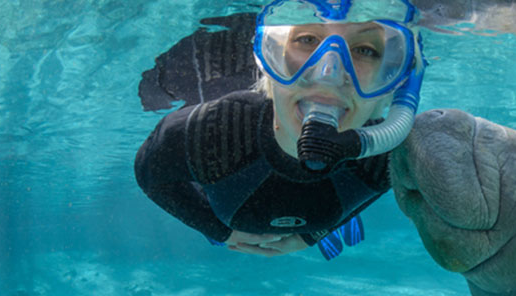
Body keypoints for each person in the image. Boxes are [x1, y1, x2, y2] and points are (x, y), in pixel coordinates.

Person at [135, 0, 425, 259]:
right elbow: (149, 174)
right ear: (270, 58)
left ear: (393, 81)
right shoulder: (211, 129)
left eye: (365, 50)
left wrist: (314, 235)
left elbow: (375, 187)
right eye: (307, 39)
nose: (329, 75)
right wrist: (215, 228)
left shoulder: (388, 154)